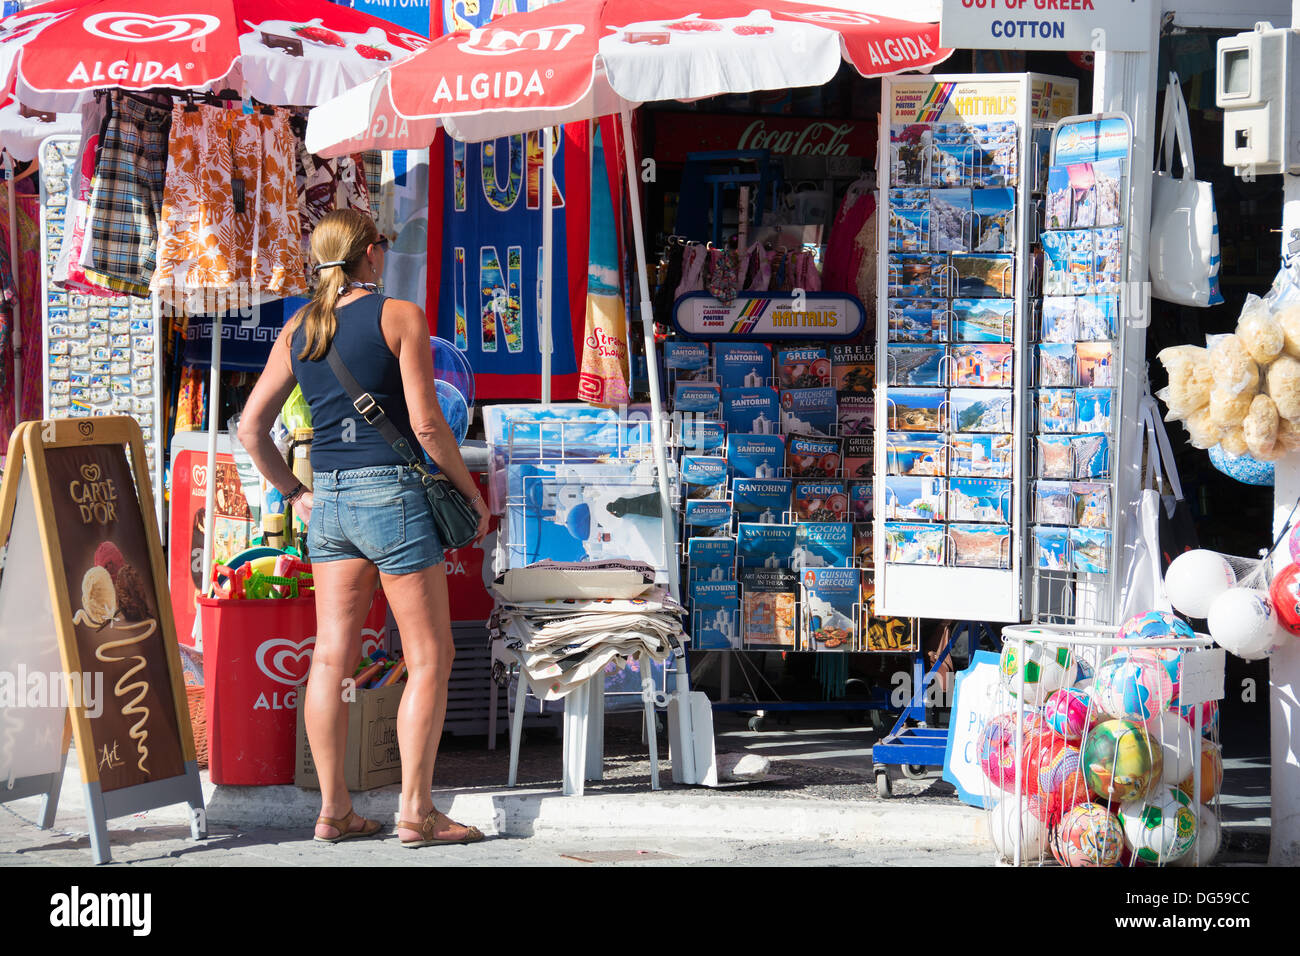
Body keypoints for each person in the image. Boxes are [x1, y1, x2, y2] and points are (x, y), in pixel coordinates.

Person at [238, 209, 490, 848]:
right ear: (370, 254)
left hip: (329, 505)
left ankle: (334, 811)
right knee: (430, 655)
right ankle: (416, 811)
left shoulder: (299, 328)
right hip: (393, 497)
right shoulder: (399, 316)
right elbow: (429, 428)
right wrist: (471, 494)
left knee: (330, 657)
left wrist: (295, 492)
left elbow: (251, 429)